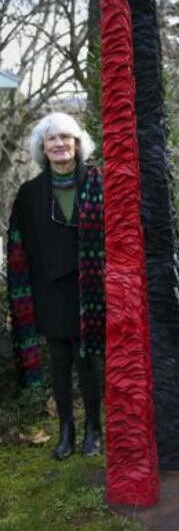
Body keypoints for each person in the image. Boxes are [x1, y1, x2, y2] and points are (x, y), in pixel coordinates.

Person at [7, 112, 105, 460]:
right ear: (42, 148)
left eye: (66, 137)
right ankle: (67, 431)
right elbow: (19, 247)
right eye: (52, 140)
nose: (60, 144)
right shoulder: (29, 193)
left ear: (78, 144)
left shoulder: (98, 183)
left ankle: (94, 430)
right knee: (60, 362)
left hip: (91, 288)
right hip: (49, 289)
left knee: (89, 361)